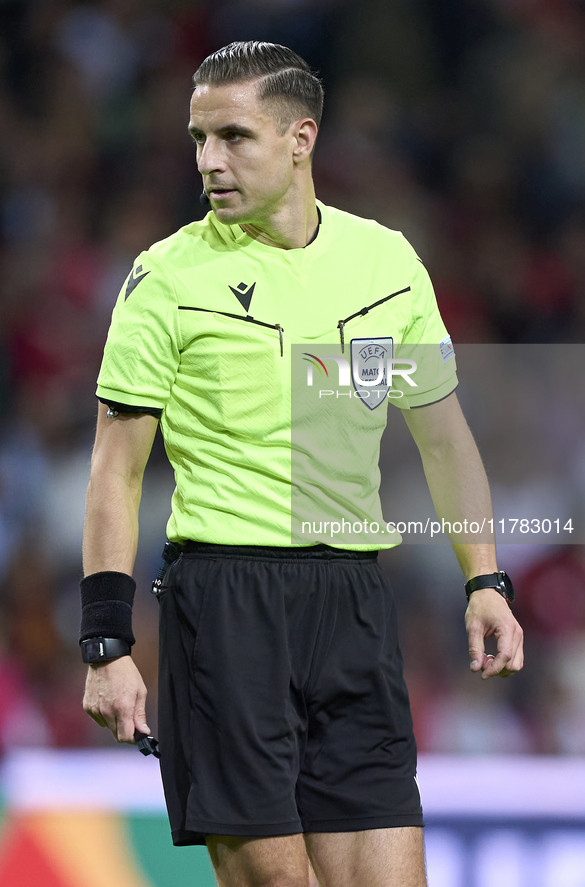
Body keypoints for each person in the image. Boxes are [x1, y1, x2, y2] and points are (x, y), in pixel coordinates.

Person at [81, 41, 524, 887]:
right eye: (197, 138)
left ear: (300, 138)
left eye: (234, 137)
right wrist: (106, 638)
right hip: (225, 604)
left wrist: (485, 579)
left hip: (352, 603)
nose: (209, 161)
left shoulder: (385, 262)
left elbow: (443, 437)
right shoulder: (166, 277)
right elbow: (115, 469)